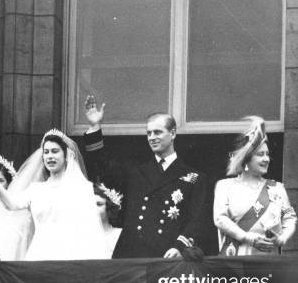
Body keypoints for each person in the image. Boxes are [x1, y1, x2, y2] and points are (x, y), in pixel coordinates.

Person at [83, 96, 207, 259]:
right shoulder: (135, 172)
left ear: (173, 133)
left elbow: (196, 219)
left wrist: (180, 247)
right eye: (149, 133)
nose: (152, 137)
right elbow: (104, 170)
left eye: (158, 132)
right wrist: (94, 127)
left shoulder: (194, 177)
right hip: (133, 254)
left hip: (167, 255)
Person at [0, 129, 108, 260]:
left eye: (55, 151)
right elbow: (12, 205)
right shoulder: (36, 189)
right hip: (39, 254)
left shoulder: (81, 188)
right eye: (46, 152)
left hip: (69, 255)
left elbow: (88, 232)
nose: (50, 156)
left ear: (66, 155)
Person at [213, 117, 297, 256]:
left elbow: (290, 219)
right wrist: (249, 239)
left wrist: (281, 239)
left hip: (268, 261)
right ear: (246, 158)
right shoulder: (225, 186)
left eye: (267, 154)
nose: (266, 159)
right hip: (236, 259)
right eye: (260, 154)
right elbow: (220, 219)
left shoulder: (277, 188)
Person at [94, 182, 123, 258]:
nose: (93, 208)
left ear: (109, 208)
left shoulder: (120, 234)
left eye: (99, 204)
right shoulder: (81, 237)